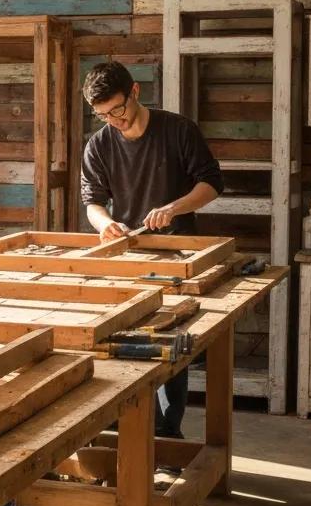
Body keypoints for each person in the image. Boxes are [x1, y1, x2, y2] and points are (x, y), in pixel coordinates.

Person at [79, 61, 224, 438]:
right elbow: (92, 201)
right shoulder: (99, 144)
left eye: (118, 110)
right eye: (102, 115)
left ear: (135, 92)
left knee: (167, 345)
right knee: (117, 342)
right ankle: (119, 432)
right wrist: (105, 223)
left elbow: (212, 184)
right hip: (128, 256)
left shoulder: (178, 130)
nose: (114, 121)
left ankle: (166, 437)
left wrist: (174, 207)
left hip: (178, 256)